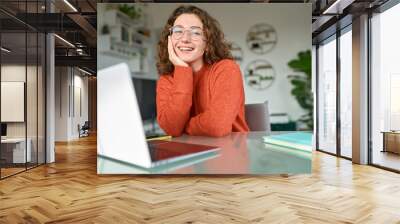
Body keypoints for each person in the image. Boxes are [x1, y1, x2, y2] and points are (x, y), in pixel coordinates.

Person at [156, 5, 249, 137]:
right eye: (178, 31)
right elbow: (171, 128)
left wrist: (184, 127)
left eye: (195, 32)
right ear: (169, 40)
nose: (185, 39)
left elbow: (217, 126)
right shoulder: (166, 80)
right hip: (190, 153)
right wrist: (182, 70)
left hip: (231, 150)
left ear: (207, 43)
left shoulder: (227, 69)